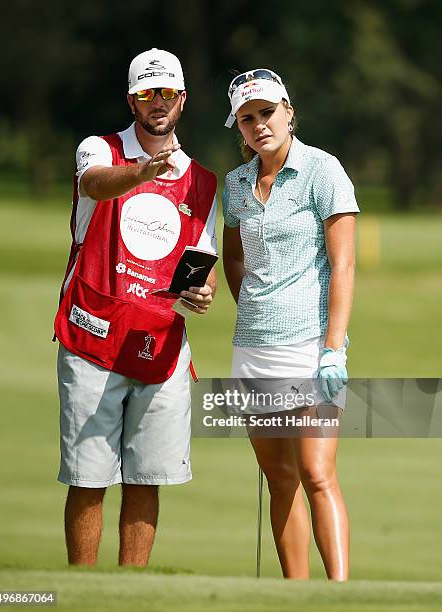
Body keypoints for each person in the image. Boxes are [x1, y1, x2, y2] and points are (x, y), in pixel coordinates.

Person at [54, 48, 217, 566]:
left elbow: (200, 262)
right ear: (132, 100)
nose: (158, 102)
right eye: (147, 93)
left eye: (167, 92)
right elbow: (95, 186)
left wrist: (203, 291)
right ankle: (81, 592)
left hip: (160, 346)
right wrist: (144, 172)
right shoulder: (98, 150)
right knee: (89, 478)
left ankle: (131, 594)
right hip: (92, 337)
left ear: (183, 99)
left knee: (147, 479)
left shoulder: (204, 182)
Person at [222, 69, 359, 580]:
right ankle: (295, 595)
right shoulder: (236, 184)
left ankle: (339, 593)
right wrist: (252, 303)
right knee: (279, 479)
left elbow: (343, 265)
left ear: (289, 112)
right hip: (254, 348)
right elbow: (233, 257)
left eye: (267, 112)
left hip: (310, 346)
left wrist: (334, 349)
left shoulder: (323, 171)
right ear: (239, 126)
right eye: (247, 117)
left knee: (317, 473)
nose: (259, 124)